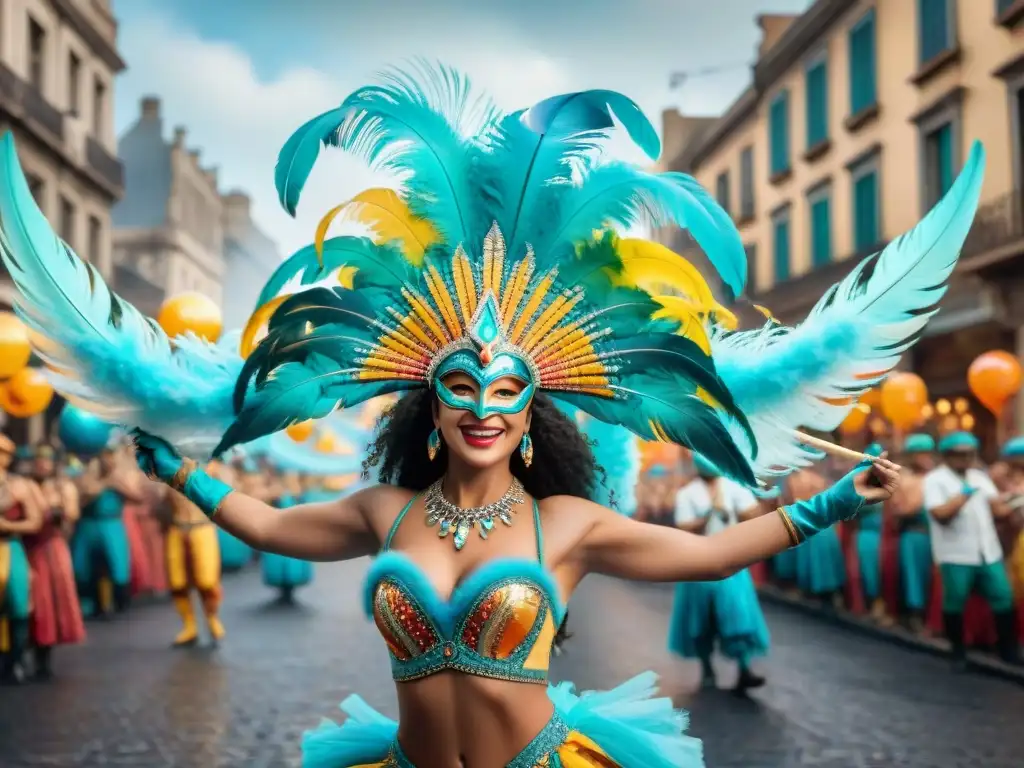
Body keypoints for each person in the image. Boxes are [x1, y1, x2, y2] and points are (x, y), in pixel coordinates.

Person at [0, 66, 983, 766]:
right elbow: (264, 524)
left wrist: (836, 501)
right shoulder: (384, 512)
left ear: (531, 416)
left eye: (506, 394)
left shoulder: (566, 524)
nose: (481, 408)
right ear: (428, 408)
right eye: (460, 390)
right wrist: (175, 470)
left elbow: (716, 555)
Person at [669, 454, 769, 692]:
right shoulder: (687, 494)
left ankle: (744, 670)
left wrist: (750, 506)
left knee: (738, 617)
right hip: (698, 565)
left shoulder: (734, 486)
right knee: (700, 621)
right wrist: (708, 515)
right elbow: (683, 527)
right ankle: (707, 670)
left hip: (732, 563)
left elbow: (753, 517)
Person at [924, 431, 1020, 668]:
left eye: (969, 454)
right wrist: (963, 495)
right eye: (959, 455)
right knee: (955, 601)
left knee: (1004, 597)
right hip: (956, 554)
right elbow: (940, 515)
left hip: (988, 551)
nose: (965, 459)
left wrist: (1015, 500)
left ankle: (1007, 650)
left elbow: (998, 510)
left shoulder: (980, 477)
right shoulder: (935, 480)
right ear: (947, 456)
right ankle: (957, 651)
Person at [24, 444, 86, 679]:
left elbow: (71, 515)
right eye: (38, 459)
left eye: (47, 459)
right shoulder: (25, 484)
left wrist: (57, 509)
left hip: (51, 548)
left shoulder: (63, 487)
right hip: (27, 547)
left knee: (47, 603)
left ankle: (43, 660)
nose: (42, 463)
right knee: (27, 605)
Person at [72, 445, 144, 617]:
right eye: (105, 456)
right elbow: (79, 501)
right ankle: (94, 604)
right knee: (84, 565)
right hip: (88, 524)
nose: (108, 460)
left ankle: (120, 602)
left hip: (112, 523)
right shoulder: (87, 477)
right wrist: (104, 485)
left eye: (111, 456)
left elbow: (138, 498)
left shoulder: (120, 478)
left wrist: (118, 486)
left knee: (118, 563)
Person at [164, 459, 229, 647]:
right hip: (177, 529)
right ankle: (189, 627)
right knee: (178, 582)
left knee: (207, 581)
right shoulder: (163, 463)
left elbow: (227, 491)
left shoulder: (212, 465)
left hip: (202, 528)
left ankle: (212, 619)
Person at [0, 435, 43, 684]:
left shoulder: (20, 485)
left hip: (11, 545)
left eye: (4, 453)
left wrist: (7, 523)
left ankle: (15, 659)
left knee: (18, 603)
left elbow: (35, 521)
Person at [891, 433, 936, 633]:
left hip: (937, 537)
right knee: (914, 576)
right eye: (920, 453)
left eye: (927, 453)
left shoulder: (936, 476)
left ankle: (930, 618)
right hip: (914, 534)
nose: (925, 457)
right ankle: (914, 616)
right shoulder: (903, 478)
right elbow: (900, 510)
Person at [260, 470, 315, 603]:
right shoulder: (276, 491)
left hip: (294, 535)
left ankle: (289, 589)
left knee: (292, 564)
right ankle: (284, 589)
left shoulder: (299, 492)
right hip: (279, 534)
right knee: (281, 563)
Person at [854, 443, 891, 625]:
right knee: (869, 571)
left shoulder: (892, 482)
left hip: (889, 537)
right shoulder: (857, 484)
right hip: (867, 535)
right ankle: (871, 605)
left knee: (888, 572)